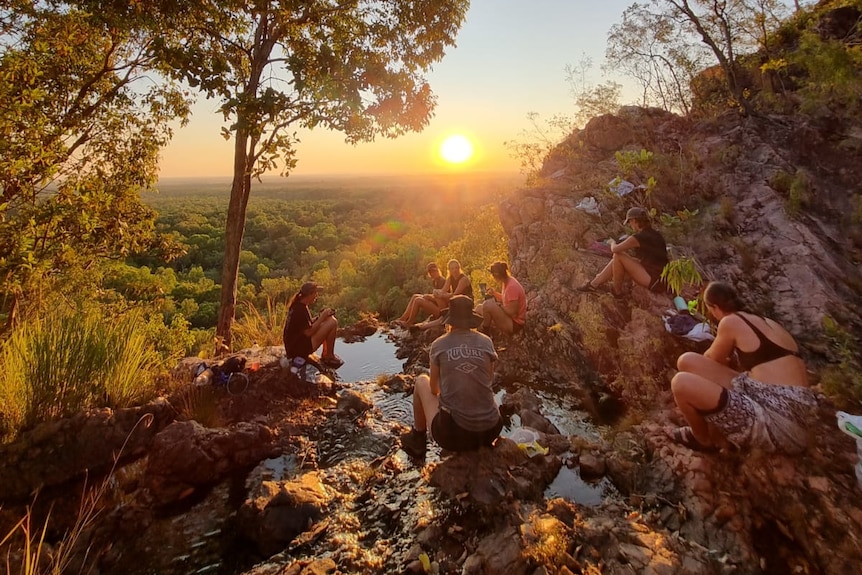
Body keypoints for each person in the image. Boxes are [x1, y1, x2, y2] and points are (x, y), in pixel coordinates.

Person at [669, 281, 817, 453]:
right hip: (788, 408)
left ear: (715, 307)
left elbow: (712, 359)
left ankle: (703, 440)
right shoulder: (765, 321)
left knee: (681, 383)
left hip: (780, 424)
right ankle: (712, 424)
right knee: (687, 361)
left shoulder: (730, 322)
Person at [400, 295, 503, 458]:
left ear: (449, 321)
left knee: (421, 381)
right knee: (484, 392)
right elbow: (488, 379)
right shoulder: (486, 342)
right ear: (471, 320)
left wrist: (451, 385)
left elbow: (434, 390)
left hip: (455, 437)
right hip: (491, 430)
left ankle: (417, 438)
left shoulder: (439, 344)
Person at [577, 206, 668, 298]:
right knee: (620, 258)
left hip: (653, 280)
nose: (630, 225)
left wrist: (612, 242)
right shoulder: (656, 234)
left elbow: (615, 249)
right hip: (661, 278)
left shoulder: (638, 237)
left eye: (629, 222)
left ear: (634, 221)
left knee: (618, 256)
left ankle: (617, 292)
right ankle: (594, 283)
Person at [282, 281, 343, 369]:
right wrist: (322, 318)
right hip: (298, 350)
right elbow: (308, 332)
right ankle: (328, 356)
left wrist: (320, 317)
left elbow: (306, 325)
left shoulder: (298, 305)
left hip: (294, 346)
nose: (316, 296)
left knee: (329, 319)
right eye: (315, 293)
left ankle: (327, 354)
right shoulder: (300, 310)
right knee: (333, 322)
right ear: (309, 294)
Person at [413, 259, 474, 330]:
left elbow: (455, 294)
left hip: (465, 303)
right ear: (449, 270)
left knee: (441, 316)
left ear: (459, 268)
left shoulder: (463, 279)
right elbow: (443, 290)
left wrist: (440, 295)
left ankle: (423, 326)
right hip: (456, 302)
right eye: (452, 268)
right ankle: (422, 326)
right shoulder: (450, 278)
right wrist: (436, 292)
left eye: (456, 268)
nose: (455, 270)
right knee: (438, 296)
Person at [479, 261, 526, 336]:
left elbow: (513, 313)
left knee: (487, 305)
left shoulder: (512, 287)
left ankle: (485, 333)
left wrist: (500, 306)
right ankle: (484, 330)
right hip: (509, 318)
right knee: (479, 308)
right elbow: (506, 299)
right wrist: (494, 293)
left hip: (515, 324)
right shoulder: (506, 282)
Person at [393, 262, 446, 327]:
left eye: (434, 271)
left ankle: (409, 322)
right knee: (415, 296)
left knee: (418, 300)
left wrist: (430, 297)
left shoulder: (442, 281)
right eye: (430, 272)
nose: (432, 273)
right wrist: (429, 296)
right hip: (436, 305)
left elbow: (442, 300)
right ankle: (403, 319)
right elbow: (436, 297)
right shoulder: (435, 281)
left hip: (442, 310)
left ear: (437, 270)